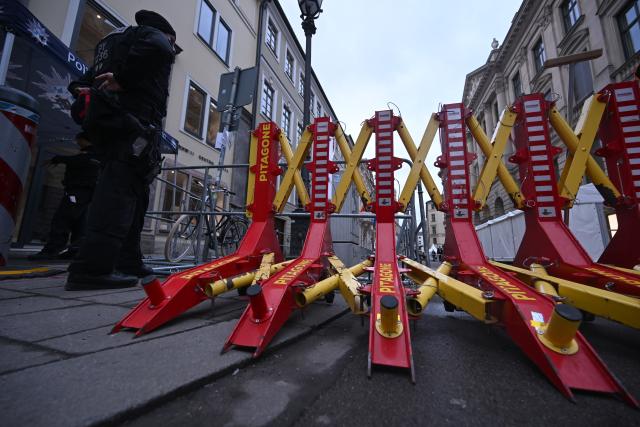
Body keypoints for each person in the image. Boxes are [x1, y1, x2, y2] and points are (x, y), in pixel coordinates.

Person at [65, 10, 176, 291]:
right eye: (172, 42)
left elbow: (82, 82)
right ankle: (92, 269)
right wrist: (125, 80)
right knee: (119, 193)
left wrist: (88, 89)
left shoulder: (111, 42)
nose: (172, 50)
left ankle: (127, 260)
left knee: (133, 194)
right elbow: (160, 47)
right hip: (133, 121)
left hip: (114, 120)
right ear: (165, 33)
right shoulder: (149, 36)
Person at [29, 133, 100, 260]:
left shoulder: (89, 157)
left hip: (75, 194)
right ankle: (75, 251)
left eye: (79, 140)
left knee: (62, 219)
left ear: (85, 140)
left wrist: (58, 158)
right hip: (86, 196)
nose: (77, 143)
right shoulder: (97, 157)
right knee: (80, 223)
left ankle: (52, 250)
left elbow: (78, 161)